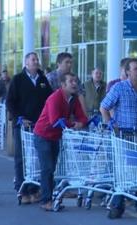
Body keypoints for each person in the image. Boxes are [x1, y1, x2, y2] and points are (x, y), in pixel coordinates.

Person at [100, 58, 137, 218]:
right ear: (127, 72)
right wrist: (111, 124)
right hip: (123, 137)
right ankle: (117, 206)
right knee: (123, 172)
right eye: (135, 69)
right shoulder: (119, 88)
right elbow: (104, 107)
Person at [33, 72, 88, 211]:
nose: (75, 84)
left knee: (52, 168)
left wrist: (80, 123)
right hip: (43, 135)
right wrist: (74, 125)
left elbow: (82, 117)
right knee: (48, 168)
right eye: (71, 81)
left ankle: (48, 197)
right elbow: (55, 120)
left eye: (75, 81)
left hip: (56, 136)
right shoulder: (55, 98)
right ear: (63, 85)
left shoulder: (73, 99)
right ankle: (46, 201)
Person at [6, 52, 53, 204]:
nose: (36, 61)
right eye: (33, 59)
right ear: (26, 63)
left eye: (37, 59)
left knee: (36, 159)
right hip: (22, 124)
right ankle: (22, 190)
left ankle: (34, 189)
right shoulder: (18, 80)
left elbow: (50, 100)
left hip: (39, 125)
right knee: (21, 158)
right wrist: (18, 117)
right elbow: (10, 102)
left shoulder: (43, 80)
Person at [46, 52, 88, 116]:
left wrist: (85, 116)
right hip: (53, 113)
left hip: (71, 113)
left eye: (71, 62)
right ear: (59, 64)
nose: (69, 65)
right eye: (67, 62)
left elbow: (80, 95)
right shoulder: (50, 78)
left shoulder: (75, 78)